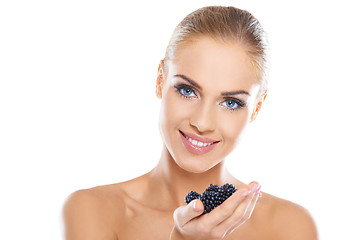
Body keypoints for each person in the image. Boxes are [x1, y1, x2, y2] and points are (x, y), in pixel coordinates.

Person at [62, 6, 318, 240]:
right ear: (160, 80)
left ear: (256, 108)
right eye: (187, 90)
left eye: (230, 102)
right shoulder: (91, 210)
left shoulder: (290, 227)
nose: (202, 122)